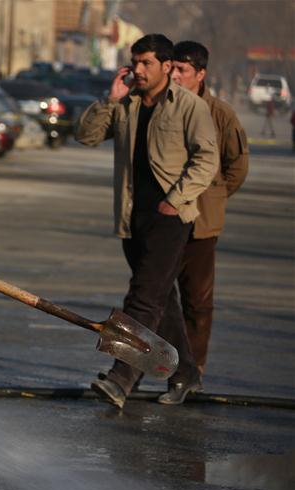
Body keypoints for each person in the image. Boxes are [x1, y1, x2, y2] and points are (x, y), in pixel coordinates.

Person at [75, 34, 218, 409]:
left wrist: (176, 198)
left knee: (142, 297)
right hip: (131, 218)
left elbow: (207, 159)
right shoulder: (127, 104)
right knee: (161, 301)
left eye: (146, 63)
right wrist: (110, 99)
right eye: (134, 63)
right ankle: (187, 372)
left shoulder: (189, 107)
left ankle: (123, 377)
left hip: (171, 219)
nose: (138, 70)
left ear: (167, 67)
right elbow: (86, 136)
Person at [157, 41, 249, 404]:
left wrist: (213, 198)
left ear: (201, 74)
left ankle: (192, 374)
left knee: (198, 301)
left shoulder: (220, 113)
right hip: (165, 220)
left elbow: (236, 167)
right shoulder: (161, 106)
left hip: (201, 224)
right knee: (158, 297)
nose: (175, 76)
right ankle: (174, 369)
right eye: (173, 69)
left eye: (183, 70)